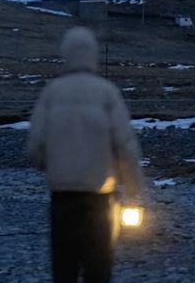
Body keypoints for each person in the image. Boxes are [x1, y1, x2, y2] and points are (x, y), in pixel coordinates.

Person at [27, 27, 144, 283]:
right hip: (100, 197)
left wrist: (52, 166)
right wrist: (134, 191)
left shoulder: (52, 92)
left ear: (65, 54)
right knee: (99, 264)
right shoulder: (106, 92)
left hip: (62, 197)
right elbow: (126, 146)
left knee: (64, 264)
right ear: (92, 55)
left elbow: (34, 146)